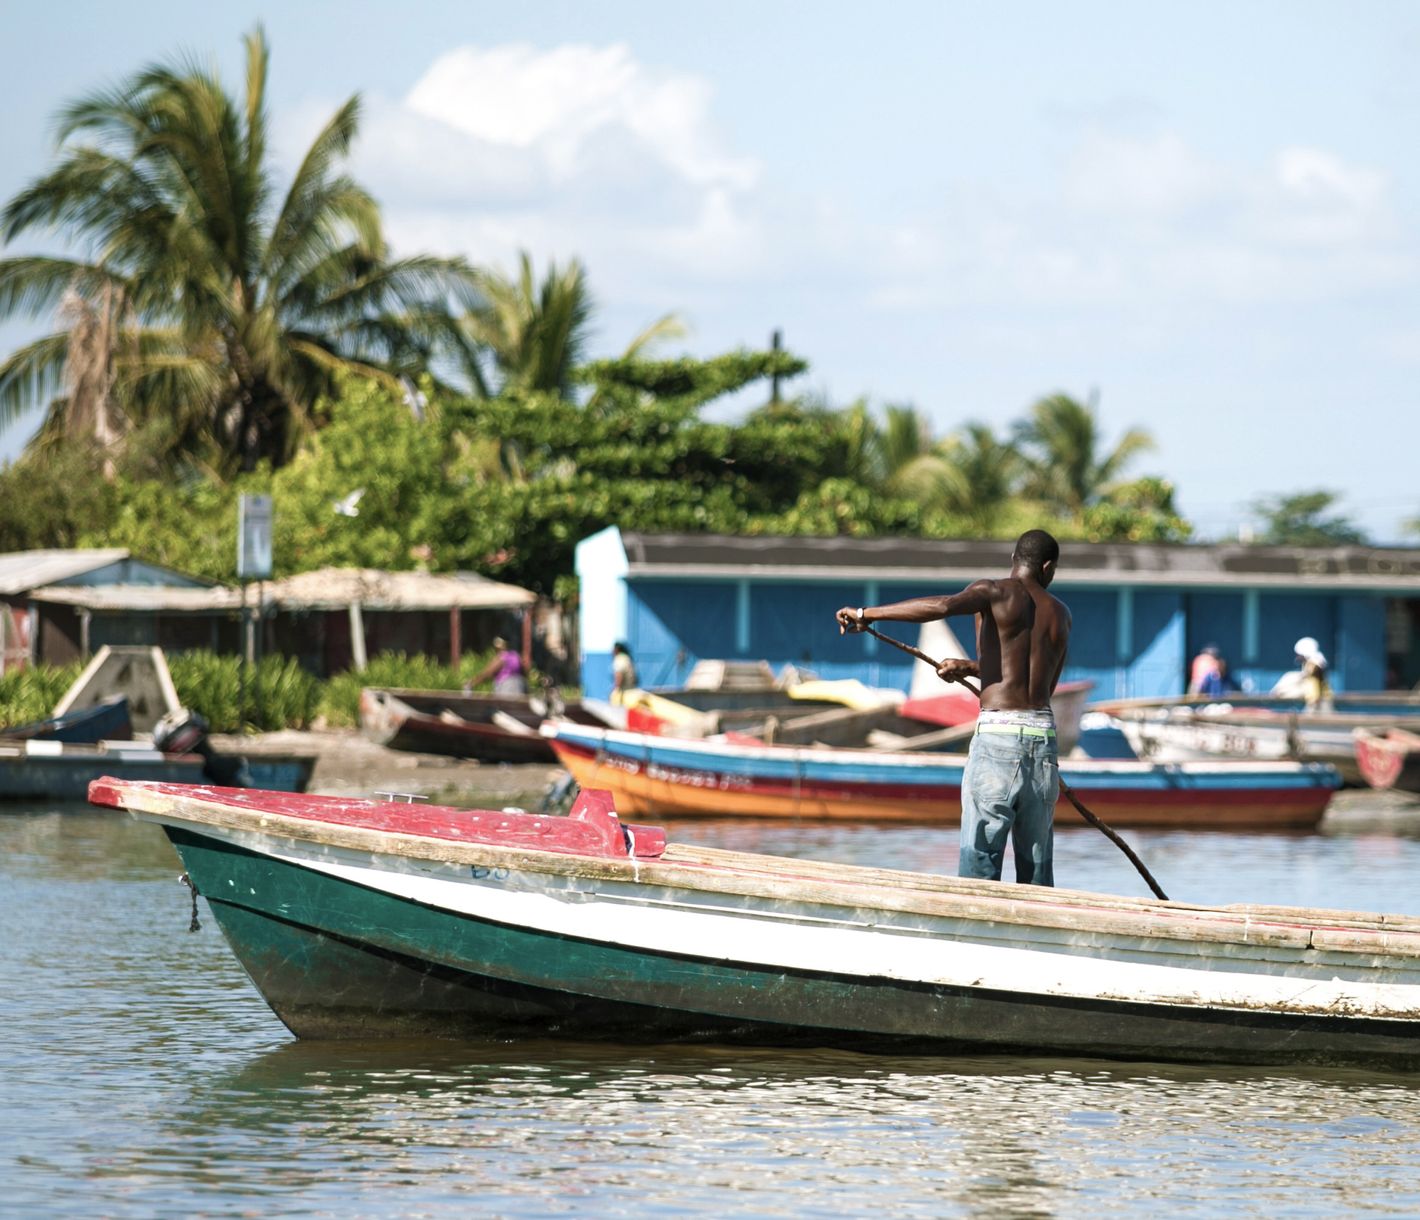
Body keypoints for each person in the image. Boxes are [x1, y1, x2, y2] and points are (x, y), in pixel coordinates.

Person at [836, 529, 1071, 886]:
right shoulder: (1061, 615)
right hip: (1043, 743)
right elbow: (1040, 687)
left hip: (997, 740)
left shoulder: (993, 591)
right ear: (1048, 567)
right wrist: (971, 668)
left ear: (1014, 560)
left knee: (979, 866)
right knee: (1036, 872)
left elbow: (943, 606)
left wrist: (866, 614)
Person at [1292, 636, 1334, 713]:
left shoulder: (1315, 665)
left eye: (1299, 654)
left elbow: (1317, 681)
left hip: (1319, 701)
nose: (1297, 657)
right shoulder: (1313, 663)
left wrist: (1316, 699)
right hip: (1315, 700)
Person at [611, 641, 638, 705]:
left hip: (624, 694)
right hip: (632, 692)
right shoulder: (627, 658)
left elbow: (619, 675)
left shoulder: (620, 658)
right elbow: (636, 680)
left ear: (616, 650)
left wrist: (616, 690)